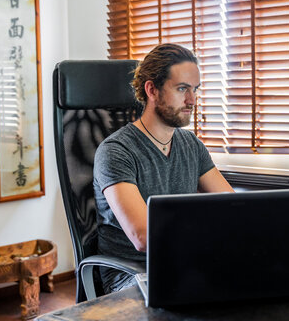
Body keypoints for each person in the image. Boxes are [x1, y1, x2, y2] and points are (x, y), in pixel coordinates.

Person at [93, 44, 234, 294]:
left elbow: (234, 211)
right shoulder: (115, 151)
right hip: (133, 274)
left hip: (184, 263)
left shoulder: (191, 145)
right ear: (152, 90)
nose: (192, 100)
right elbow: (145, 237)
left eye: (195, 90)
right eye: (182, 89)